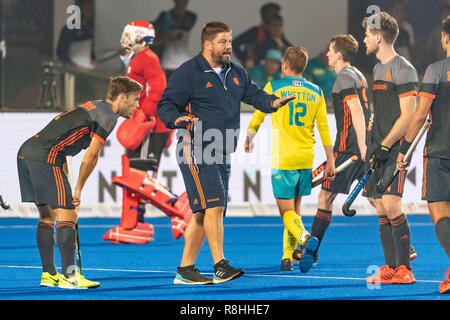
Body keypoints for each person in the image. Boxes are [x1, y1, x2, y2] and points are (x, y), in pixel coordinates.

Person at [157, 21, 295, 285]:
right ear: (207, 44)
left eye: (230, 41)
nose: (229, 46)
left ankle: (185, 270)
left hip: (222, 149)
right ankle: (220, 265)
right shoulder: (189, 72)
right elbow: (166, 104)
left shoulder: (236, 71)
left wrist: (272, 103)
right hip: (196, 147)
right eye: (223, 41)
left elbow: (254, 95)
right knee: (215, 205)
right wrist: (177, 120)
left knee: (204, 212)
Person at [17, 76, 142, 288]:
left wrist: (66, 178)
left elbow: (63, 141)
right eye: (135, 99)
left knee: (47, 216)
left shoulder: (95, 106)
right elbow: (91, 156)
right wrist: (78, 190)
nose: (137, 105)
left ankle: (49, 274)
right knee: (68, 213)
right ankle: (70, 276)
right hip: (46, 157)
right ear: (122, 97)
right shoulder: (108, 116)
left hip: (27, 152)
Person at [244, 47, 335, 272]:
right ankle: (287, 256)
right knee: (295, 209)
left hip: (284, 157)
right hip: (306, 157)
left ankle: (305, 239)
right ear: (303, 67)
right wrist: (330, 159)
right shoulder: (316, 91)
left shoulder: (274, 86)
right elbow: (324, 128)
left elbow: (258, 113)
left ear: (284, 65)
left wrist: (249, 136)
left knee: (286, 212)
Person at [361, 11, 418, 285]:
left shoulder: (404, 68)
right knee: (381, 207)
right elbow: (383, 109)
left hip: (394, 149)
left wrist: (386, 145)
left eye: (367, 35)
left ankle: (405, 270)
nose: (364, 40)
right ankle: (391, 267)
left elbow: (408, 115)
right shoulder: (376, 69)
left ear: (379, 37)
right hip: (378, 147)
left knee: (392, 205)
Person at [305, 34, 371, 265]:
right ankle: (405, 246)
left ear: (339, 55)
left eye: (331, 51)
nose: (327, 55)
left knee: (325, 197)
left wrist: (361, 145)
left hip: (348, 149)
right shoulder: (359, 74)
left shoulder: (343, 75)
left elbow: (357, 111)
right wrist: (366, 144)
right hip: (362, 145)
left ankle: (311, 252)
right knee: (379, 200)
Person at [396, 15, 450, 295]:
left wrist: (404, 149)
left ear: (445, 39)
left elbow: (419, 116)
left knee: (440, 213)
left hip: (440, 153)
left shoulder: (436, 70)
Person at [116, 21, 177, 236]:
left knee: (138, 175)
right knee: (134, 172)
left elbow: (159, 89)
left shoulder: (148, 58)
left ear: (140, 38)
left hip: (151, 125)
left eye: (129, 34)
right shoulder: (136, 58)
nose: (125, 37)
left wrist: (144, 113)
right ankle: (135, 223)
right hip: (143, 123)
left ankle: (179, 210)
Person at [152, 0, 197, 79]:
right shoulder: (165, 17)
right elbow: (154, 40)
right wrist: (166, 38)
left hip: (183, 60)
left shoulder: (191, 17)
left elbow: (184, 29)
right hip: (168, 62)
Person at [233, 2, 282, 69]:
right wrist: (245, 59)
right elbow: (235, 43)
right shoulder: (255, 32)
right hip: (255, 70)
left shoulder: (277, 34)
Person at [56, 0, 97, 69]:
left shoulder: (90, 29)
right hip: (73, 69)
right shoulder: (69, 29)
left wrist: (93, 59)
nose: (90, 11)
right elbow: (60, 52)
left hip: (88, 69)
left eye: (91, 8)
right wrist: (72, 65)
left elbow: (90, 50)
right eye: (87, 8)